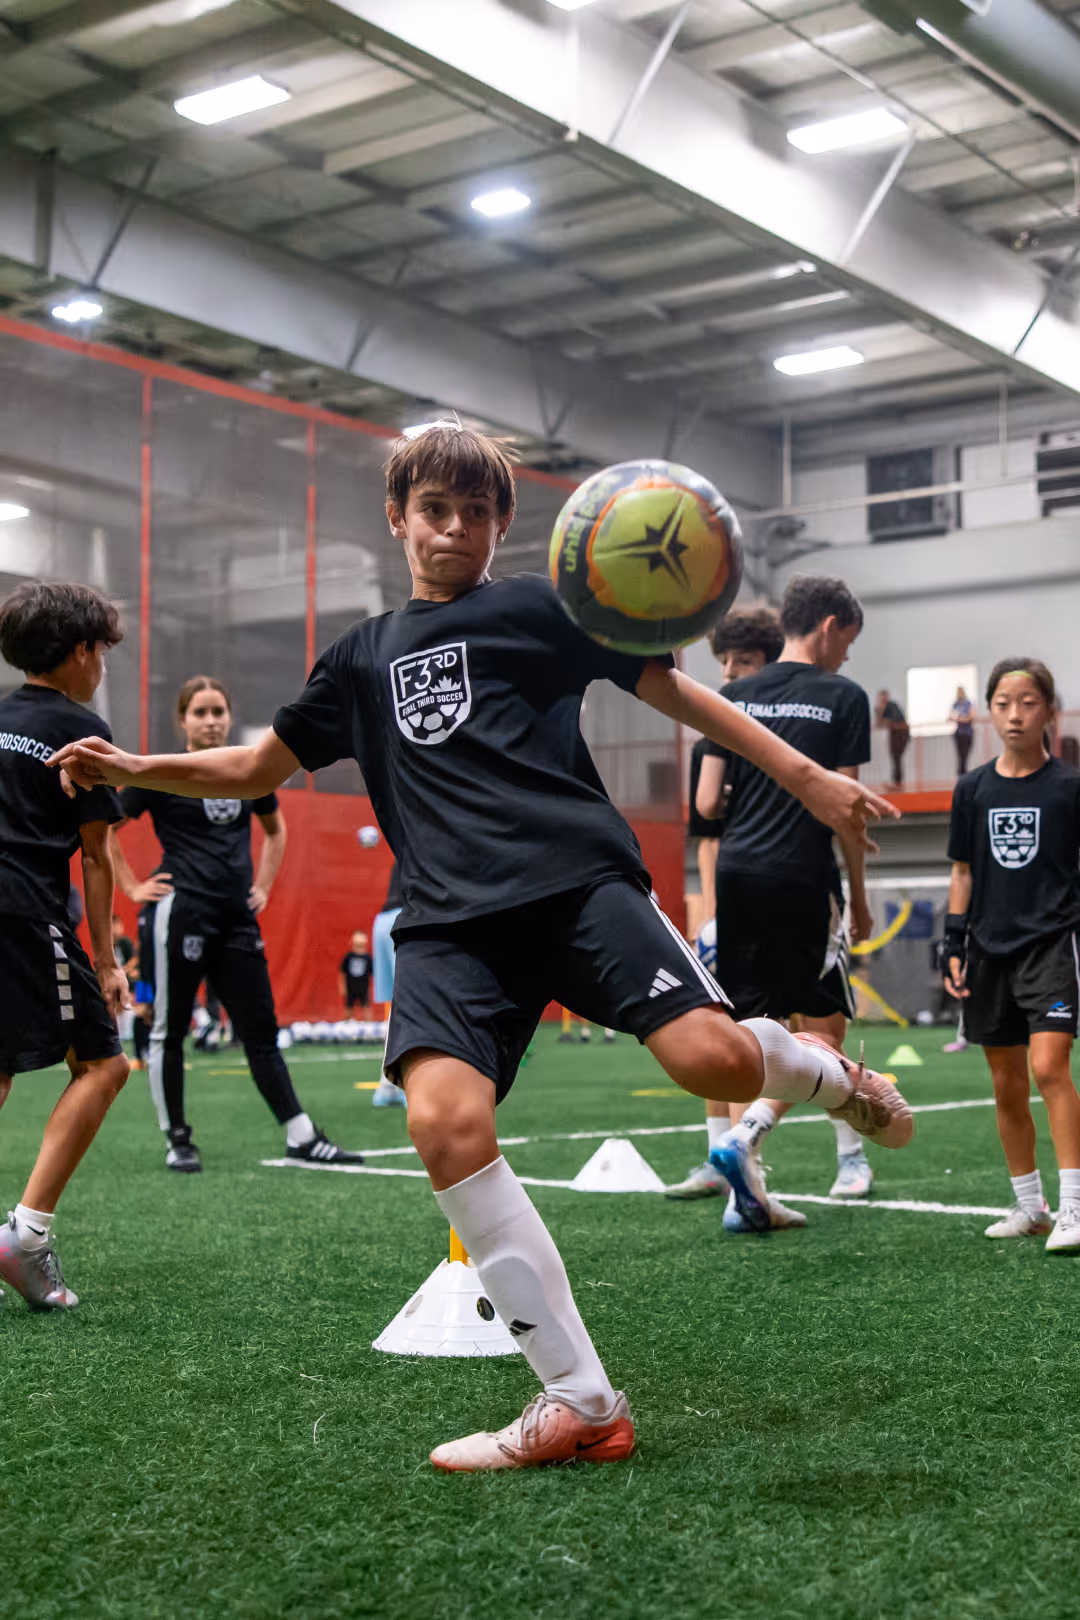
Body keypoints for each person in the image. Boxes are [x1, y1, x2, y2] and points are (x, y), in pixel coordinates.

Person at [53, 424, 911, 1472]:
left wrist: (811, 779)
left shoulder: (541, 612)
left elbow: (681, 698)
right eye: (434, 510)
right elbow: (250, 770)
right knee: (442, 1121)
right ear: (398, 517)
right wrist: (133, 763)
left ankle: (832, 1074)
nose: (454, 529)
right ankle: (582, 1401)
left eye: (476, 513)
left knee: (714, 1060)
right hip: (450, 925)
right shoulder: (359, 657)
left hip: (578, 888)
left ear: (503, 526)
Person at [671, 575, 878, 1229]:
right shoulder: (844, 696)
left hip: (736, 874)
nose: (846, 655)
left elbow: (705, 805)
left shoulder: (734, 695)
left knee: (750, 1035)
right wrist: (861, 899)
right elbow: (846, 810)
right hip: (801, 875)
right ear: (830, 627)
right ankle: (753, 1138)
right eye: (848, 641)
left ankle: (746, 1199)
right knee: (827, 1032)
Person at [107, 676, 363, 1174]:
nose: (211, 720)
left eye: (218, 711)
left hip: (236, 919)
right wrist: (135, 889)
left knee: (260, 1033)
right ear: (182, 721)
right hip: (180, 915)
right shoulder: (160, 774)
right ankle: (177, 1139)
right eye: (199, 712)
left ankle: (301, 1136)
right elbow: (107, 831)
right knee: (169, 1029)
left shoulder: (250, 771)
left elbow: (275, 830)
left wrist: (263, 886)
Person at [0, 580, 130, 1310]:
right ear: (80, 652)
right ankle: (27, 1235)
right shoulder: (81, 731)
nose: (102, 665)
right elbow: (94, 855)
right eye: (102, 652)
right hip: (26, 913)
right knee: (104, 1067)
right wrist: (107, 962)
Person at [944, 657, 1080, 1252]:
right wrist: (952, 943)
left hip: (1051, 943)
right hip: (988, 949)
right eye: (1002, 703)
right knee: (1005, 1084)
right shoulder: (971, 790)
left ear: (1049, 710)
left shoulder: (1071, 787)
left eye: (1027, 703)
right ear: (989, 711)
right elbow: (962, 872)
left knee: (1050, 1070)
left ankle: (1074, 1209)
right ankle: (1031, 1208)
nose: (1015, 715)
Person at [669, 606, 783, 1209]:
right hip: (729, 901)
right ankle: (723, 1159)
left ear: (770, 662)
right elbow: (705, 835)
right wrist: (706, 913)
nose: (732, 673)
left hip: (784, 893)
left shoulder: (783, 732)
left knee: (808, 1029)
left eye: (745, 662)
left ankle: (851, 1156)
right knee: (720, 1026)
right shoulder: (712, 738)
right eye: (725, 663)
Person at [876, 690, 910, 789]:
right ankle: (896, 781)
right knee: (894, 756)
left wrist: (884, 721)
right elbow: (879, 724)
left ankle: (897, 781)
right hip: (893, 733)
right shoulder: (880, 709)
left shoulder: (892, 705)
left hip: (902, 732)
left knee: (897, 756)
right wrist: (881, 710)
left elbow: (890, 721)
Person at [339, 930, 373, 1015]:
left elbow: (372, 974)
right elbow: (342, 972)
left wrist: (372, 989)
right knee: (349, 1007)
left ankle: (369, 1025)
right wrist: (342, 986)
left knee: (366, 1007)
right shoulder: (349, 956)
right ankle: (347, 1024)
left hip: (364, 988)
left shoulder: (368, 958)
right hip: (350, 987)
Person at [951, 686, 974, 777]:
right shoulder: (956, 704)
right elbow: (951, 716)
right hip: (959, 733)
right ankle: (961, 775)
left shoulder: (968, 703)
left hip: (967, 733)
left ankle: (963, 774)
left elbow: (972, 716)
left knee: (965, 755)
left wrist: (963, 718)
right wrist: (960, 718)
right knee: (960, 755)